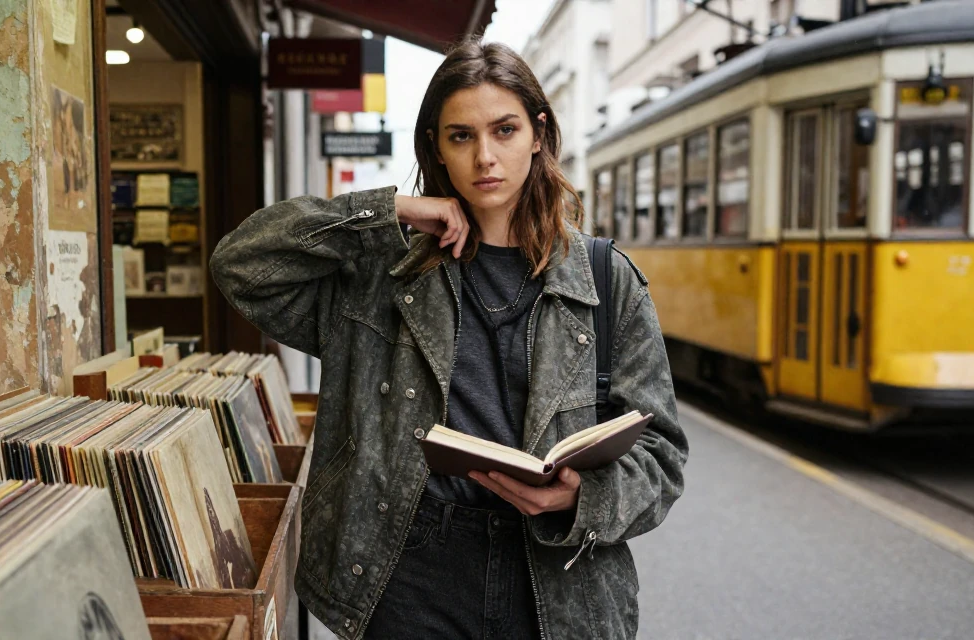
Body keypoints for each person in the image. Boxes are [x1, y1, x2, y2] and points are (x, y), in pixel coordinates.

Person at [211, 39, 687, 640]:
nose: (485, 156)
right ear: (435, 145)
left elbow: (662, 456)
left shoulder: (605, 279)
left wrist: (579, 501)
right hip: (408, 574)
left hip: (555, 582)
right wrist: (388, 212)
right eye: (460, 136)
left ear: (538, 134)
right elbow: (240, 265)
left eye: (505, 130)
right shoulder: (383, 273)